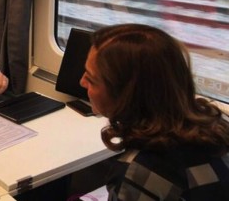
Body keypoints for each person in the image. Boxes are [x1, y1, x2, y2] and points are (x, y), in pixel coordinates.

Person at [80, 24, 229, 200]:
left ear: (126, 95)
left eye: (91, 79)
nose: (82, 82)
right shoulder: (219, 126)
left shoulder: (144, 171)